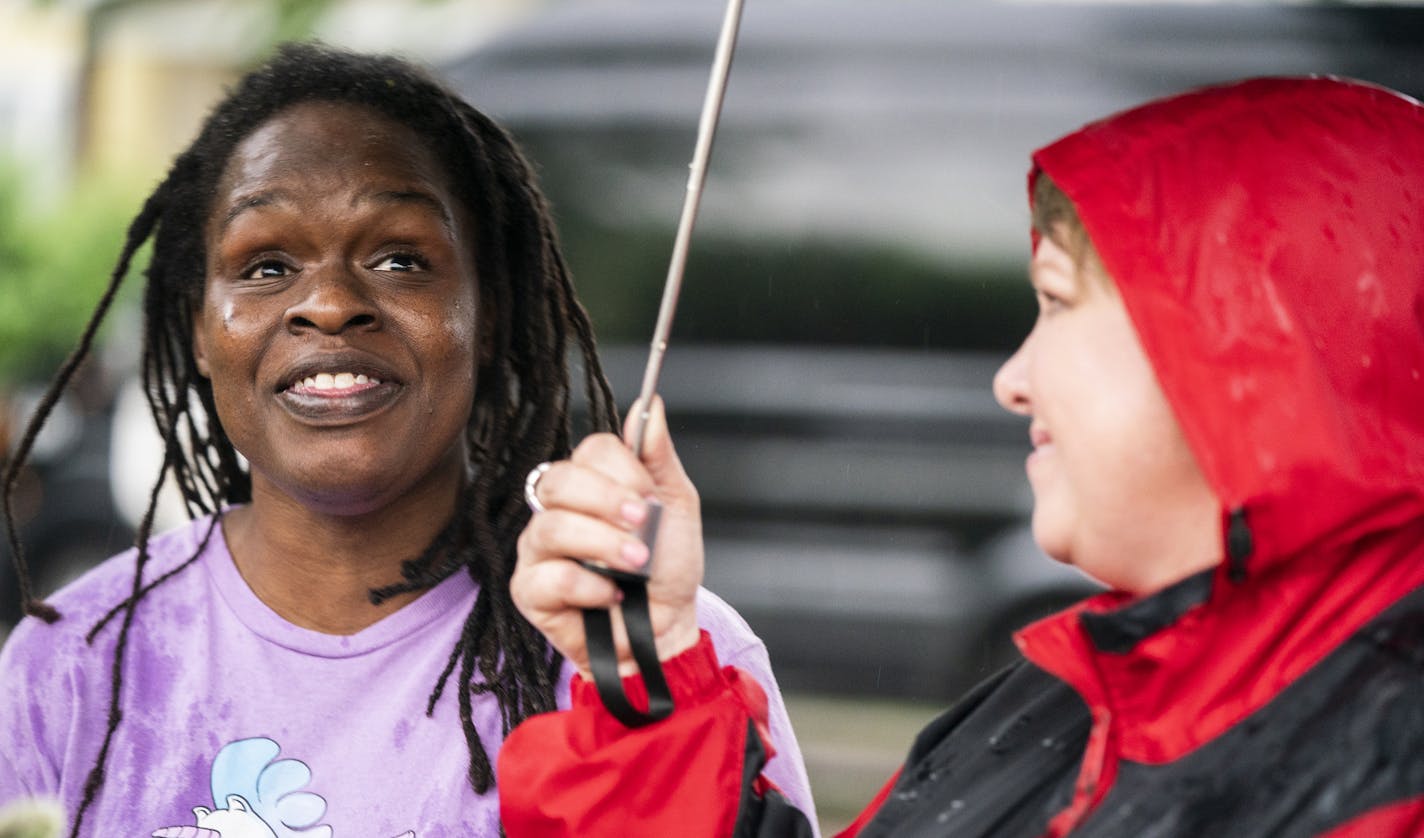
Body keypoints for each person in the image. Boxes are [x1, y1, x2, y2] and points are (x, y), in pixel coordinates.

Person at [500, 75, 1424, 836]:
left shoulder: (1383, 777)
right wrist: (647, 665)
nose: (1012, 379)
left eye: (1056, 303)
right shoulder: (1070, 704)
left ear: (1256, 350)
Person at [0, 43, 815, 837]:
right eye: (264, 265)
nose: (327, 303)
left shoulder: (660, 649)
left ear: (488, 312)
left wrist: (654, 690)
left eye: (398, 259)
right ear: (201, 331)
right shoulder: (66, 665)